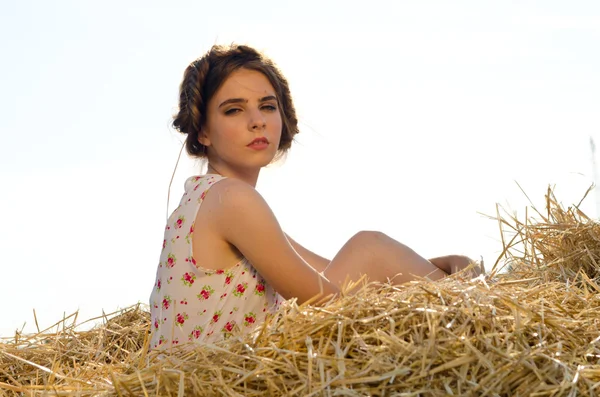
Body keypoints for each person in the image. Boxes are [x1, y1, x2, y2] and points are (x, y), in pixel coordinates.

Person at [149, 44, 481, 350]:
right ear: (203, 130)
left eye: (267, 106)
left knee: (372, 253)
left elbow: (347, 278)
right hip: (234, 374)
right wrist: (458, 278)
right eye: (233, 110)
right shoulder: (232, 200)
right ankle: (479, 310)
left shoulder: (206, 199)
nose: (257, 122)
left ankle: (470, 299)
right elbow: (333, 305)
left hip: (218, 370)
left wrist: (431, 268)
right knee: (369, 246)